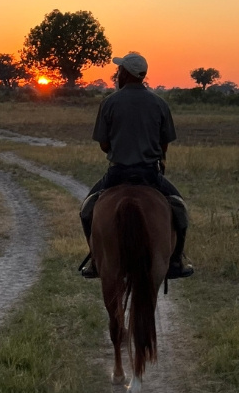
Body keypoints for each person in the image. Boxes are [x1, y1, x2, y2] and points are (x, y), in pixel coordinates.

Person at [79, 51, 193, 280]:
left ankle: (94, 259)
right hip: (150, 174)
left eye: (119, 69)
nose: (117, 73)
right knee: (180, 210)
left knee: (87, 210)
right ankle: (176, 260)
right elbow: (164, 145)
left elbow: (103, 144)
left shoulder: (109, 103)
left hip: (117, 173)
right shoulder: (159, 103)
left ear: (127, 73)